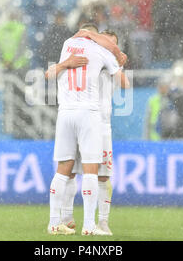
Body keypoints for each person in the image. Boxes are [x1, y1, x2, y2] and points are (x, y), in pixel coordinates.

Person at [46, 23, 129, 236]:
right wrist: (117, 53)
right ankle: (84, 224)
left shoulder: (68, 45)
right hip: (89, 116)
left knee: (66, 169)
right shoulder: (103, 52)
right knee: (84, 172)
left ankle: (57, 222)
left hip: (70, 115)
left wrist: (67, 62)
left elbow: (48, 74)